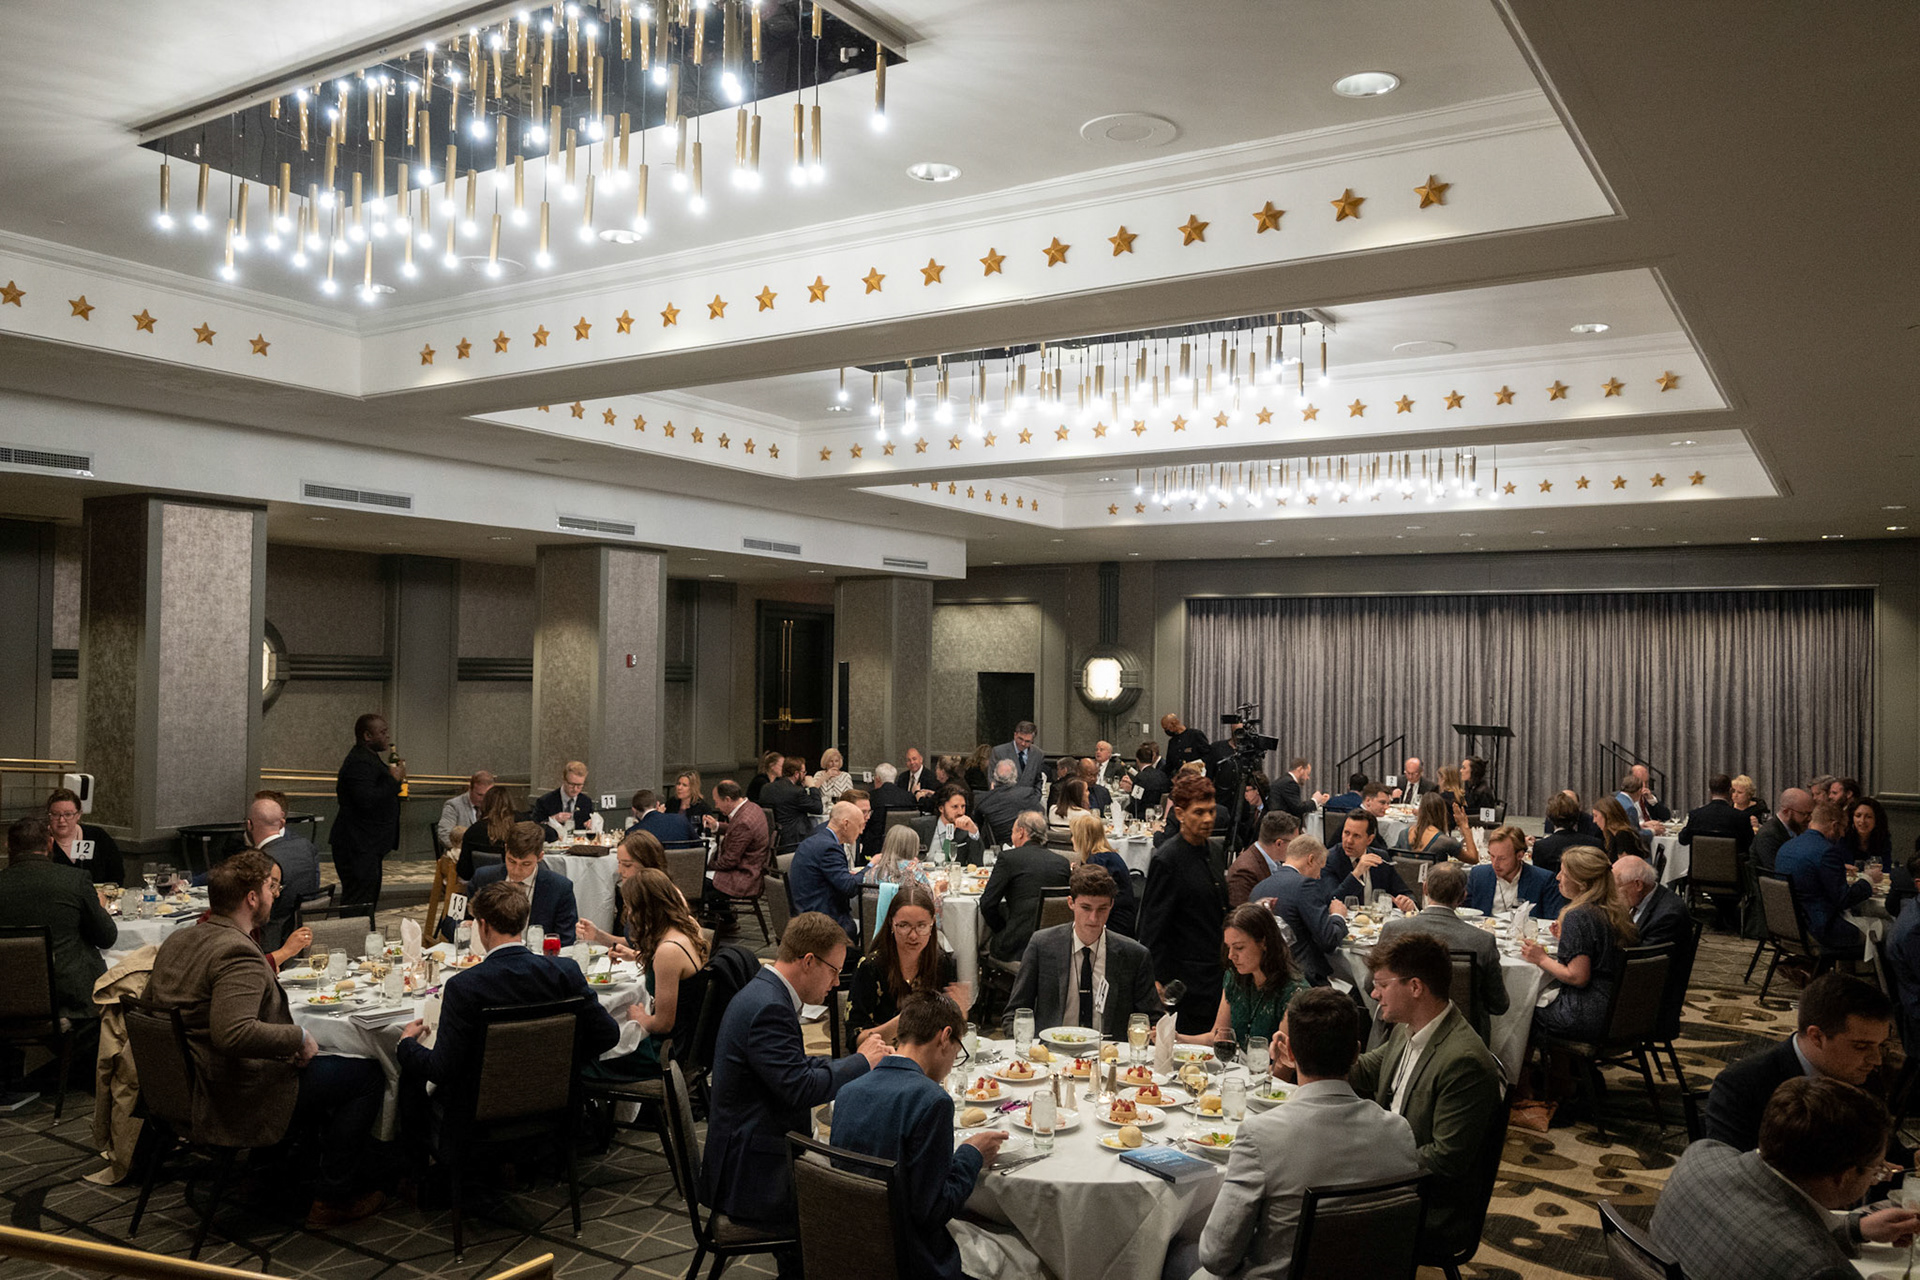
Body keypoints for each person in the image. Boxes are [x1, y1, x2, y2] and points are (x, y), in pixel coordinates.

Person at [147, 851, 384, 1227]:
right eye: (270, 889)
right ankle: (333, 1195)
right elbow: (233, 1031)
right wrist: (299, 1036)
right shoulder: (237, 951)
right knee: (366, 1075)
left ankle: (266, 1172)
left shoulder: (181, 939)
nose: (276, 896)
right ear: (252, 899)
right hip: (230, 1091)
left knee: (329, 1066)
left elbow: (156, 1012)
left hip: (181, 1085)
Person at [1192, 987, 1421, 1280]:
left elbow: (1216, 1256)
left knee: (1174, 1255)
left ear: (1288, 1052)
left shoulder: (1259, 1135)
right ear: (1356, 1053)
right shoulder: (1399, 1131)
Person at [702, 912, 887, 1264]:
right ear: (807, 962)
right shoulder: (769, 1007)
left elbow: (793, 1070)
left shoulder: (765, 992)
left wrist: (851, 1064)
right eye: (834, 971)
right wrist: (862, 1062)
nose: (835, 983)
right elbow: (799, 1088)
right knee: (863, 1208)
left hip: (750, 1147)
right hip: (752, 1175)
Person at [399, 880, 621, 1161]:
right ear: (524, 922)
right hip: (555, 1101)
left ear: (483, 926)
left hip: (479, 1109)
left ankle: (423, 1182)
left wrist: (406, 1044)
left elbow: (442, 1069)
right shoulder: (564, 972)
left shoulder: (465, 986)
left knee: (410, 1070)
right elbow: (608, 1035)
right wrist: (560, 1060)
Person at [1652, 1077, 1920, 1278]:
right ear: (1844, 1175)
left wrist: (1855, 1229)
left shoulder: (1701, 1155)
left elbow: (1761, 1225)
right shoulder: (1819, 1270)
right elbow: (1784, 1242)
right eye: (1876, 1170)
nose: (1878, 1178)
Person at [1350, 933, 1506, 1261]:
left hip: (1431, 1206)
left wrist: (1373, 1163)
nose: (1374, 994)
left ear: (1416, 987)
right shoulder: (1408, 1030)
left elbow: (1445, 1159)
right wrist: (1308, 1056)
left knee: (1307, 1212)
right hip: (1396, 1176)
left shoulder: (1463, 1060)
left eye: (1381, 984)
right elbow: (1365, 1071)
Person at [830, 992, 1006, 1280]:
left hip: (852, 1247)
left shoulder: (848, 1091)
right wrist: (972, 1154)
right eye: (957, 1051)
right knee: (1024, 1256)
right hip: (910, 1258)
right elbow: (932, 1212)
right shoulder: (932, 1101)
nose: (953, 1063)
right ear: (945, 1037)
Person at [1705, 972, 1896, 1152]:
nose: (1876, 1060)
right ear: (1816, 1037)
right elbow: (1732, 1173)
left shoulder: (1866, 1078)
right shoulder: (1743, 1086)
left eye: (1882, 1046)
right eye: (1861, 1046)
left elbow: (1887, 1152)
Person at [0, 817, 117, 1095]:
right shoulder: (74, 881)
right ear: (50, 844)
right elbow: (107, 937)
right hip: (70, 999)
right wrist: (97, 908)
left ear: (8, 847)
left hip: (5, 997)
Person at [1003, 863, 1159, 1037]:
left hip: (1108, 1055)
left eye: (1102, 909)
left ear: (1112, 905)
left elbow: (1152, 1020)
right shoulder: (1042, 945)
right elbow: (1014, 1014)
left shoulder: (1134, 955)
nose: (1094, 918)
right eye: (1086, 908)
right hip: (1052, 1053)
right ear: (1071, 903)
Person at [580, 869, 708, 1082]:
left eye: (630, 906)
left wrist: (641, 1019)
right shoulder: (688, 927)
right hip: (687, 1039)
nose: (628, 913)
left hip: (664, 1053)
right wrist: (636, 955)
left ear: (645, 909)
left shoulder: (668, 951)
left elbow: (663, 1023)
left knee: (585, 1056)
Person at [1139, 774, 1233, 1035]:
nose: (1208, 819)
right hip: (1184, 984)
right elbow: (1152, 926)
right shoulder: (1167, 860)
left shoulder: (1214, 851)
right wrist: (1155, 980)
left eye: (1212, 811)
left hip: (1216, 975)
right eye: (1199, 812)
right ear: (1179, 813)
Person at [1378, 863, 1508, 1041]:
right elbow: (1498, 1005)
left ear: (1425, 889)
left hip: (1403, 1032)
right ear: (1463, 896)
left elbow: (1372, 985)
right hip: (1464, 1038)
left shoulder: (1393, 930)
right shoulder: (1482, 941)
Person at [1522, 847, 1637, 1041]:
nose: (1558, 878)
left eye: (1564, 873)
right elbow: (1601, 950)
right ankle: (1567, 1070)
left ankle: (1538, 1071)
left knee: (1521, 1011)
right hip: (1620, 1009)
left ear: (1582, 883)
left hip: (1584, 1013)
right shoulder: (1617, 910)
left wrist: (1540, 958)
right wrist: (1567, 940)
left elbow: (1577, 977)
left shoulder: (1579, 915)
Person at [1177, 903, 1307, 1047]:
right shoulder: (1234, 977)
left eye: (1239, 947)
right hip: (1240, 1067)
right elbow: (1218, 1037)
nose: (1231, 955)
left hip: (1267, 1068)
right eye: (1228, 947)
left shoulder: (1294, 991)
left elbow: (1284, 1062)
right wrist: (1177, 1038)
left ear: (1264, 942)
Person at [849, 882, 966, 1042]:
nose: (913, 935)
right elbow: (855, 1040)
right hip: (886, 1058)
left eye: (921, 926)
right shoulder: (871, 968)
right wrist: (903, 1022)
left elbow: (953, 1036)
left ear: (932, 925)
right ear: (891, 923)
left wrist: (960, 1016)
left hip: (931, 1059)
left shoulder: (943, 963)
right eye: (904, 926)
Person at [1252, 834, 1350, 987]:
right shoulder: (1305, 885)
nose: (1319, 877)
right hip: (1302, 979)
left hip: (1265, 975)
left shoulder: (1258, 888)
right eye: (1320, 868)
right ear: (1310, 860)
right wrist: (1338, 915)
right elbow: (1328, 940)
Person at [1776, 801, 1874, 953]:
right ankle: (1866, 976)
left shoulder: (1787, 846)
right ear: (1834, 825)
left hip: (1788, 925)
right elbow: (1844, 899)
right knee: (1886, 928)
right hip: (1821, 929)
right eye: (1843, 828)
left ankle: (1841, 973)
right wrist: (1868, 880)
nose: (1842, 834)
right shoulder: (1827, 852)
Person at [461, 822, 580, 945]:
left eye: (526, 864)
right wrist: (465, 926)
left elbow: (567, 940)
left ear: (540, 857)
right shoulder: (483, 878)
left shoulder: (559, 888)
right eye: (511, 861)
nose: (516, 871)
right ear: (506, 849)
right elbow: (452, 920)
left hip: (537, 961)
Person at [329, 712, 404, 907]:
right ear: (367, 736)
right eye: (382, 732)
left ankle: (365, 936)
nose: (387, 736)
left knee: (367, 901)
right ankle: (354, 937)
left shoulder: (369, 758)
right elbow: (366, 800)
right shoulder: (359, 762)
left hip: (366, 845)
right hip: (357, 845)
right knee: (358, 902)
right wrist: (393, 780)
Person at [980, 811, 1072, 964]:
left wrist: (1003, 928)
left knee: (979, 944)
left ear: (1021, 832)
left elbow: (987, 904)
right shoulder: (1062, 862)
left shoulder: (1009, 858)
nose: (1012, 837)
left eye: (1012, 832)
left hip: (1017, 947)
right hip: (1055, 945)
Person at [244, 794, 321, 950]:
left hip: (268, 941)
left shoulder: (260, 860)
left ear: (249, 825)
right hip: (306, 933)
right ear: (281, 824)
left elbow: (249, 908)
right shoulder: (306, 846)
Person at [577, 829, 672, 950]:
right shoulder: (635, 893)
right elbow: (634, 944)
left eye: (627, 865)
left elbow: (659, 953)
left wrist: (632, 956)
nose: (620, 871)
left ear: (647, 865)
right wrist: (597, 935)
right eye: (619, 863)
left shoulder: (661, 898)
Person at [788, 801, 868, 942]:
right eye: (860, 826)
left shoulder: (816, 839)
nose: (861, 831)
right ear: (846, 824)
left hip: (804, 912)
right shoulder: (829, 848)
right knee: (871, 930)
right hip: (822, 922)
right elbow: (850, 888)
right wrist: (871, 867)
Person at [1465, 826, 1566, 919]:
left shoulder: (1543, 880)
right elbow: (1464, 913)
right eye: (1492, 856)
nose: (1495, 863)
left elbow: (1552, 921)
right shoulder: (1479, 875)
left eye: (1502, 858)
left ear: (1520, 855)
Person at [1323, 811, 1416, 911]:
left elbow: (1406, 893)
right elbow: (1332, 901)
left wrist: (1409, 902)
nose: (1349, 840)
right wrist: (1356, 874)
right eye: (1346, 833)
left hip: (1378, 922)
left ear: (1369, 840)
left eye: (1356, 836)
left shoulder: (1380, 857)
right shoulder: (1330, 858)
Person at [1068, 810, 1138, 936]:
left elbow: (1090, 894)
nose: (1071, 839)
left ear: (1081, 837)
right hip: (1123, 918)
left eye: (1073, 835)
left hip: (1114, 924)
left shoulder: (1097, 861)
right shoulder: (1106, 855)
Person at [707, 779, 770, 906]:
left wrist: (705, 865)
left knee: (697, 882)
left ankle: (724, 920)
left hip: (745, 877)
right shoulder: (752, 807)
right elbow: (735, 830)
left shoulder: (743, 822)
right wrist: (716, 826)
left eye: (717, 801)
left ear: (728, 800)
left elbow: (729, 861)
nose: (716, 806)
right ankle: (726, 919)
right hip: (753, 868)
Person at [44, 788, 123, 886]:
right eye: (55, 815)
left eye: (68, 814)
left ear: (78, 815)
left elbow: (117, 873)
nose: (61, 820)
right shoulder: (41, 841)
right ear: (49, 816)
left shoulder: (97, 836)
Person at [1227, 810, 1298, 908]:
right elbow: (1242, 918)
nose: (1296, 847)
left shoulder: (1274, 861)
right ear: (1279, 844)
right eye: (1294, 843)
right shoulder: (1244, 872)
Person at [1678, 772, 1755, 860]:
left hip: (1699, 870)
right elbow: (1750, 845)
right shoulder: (1741, 817)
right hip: (1733, 870)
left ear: (1710, 791)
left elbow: (1683, 840)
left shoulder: (1696, 815)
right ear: (1730, 791)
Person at [911, 785, 987, 867]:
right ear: (941, 808)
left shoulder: (968, 829)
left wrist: (974, 832)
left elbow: (978, 864)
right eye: (955, 807)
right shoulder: (921, 826)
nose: (960, 812)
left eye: (963, 806)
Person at [974, 758, 1042, 848]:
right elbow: (1041, 815)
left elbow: (977, 822)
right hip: (1024, 844)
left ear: (994, 776)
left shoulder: (983, 799)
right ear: (1015, 776)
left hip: (996, 846)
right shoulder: (1026, 794)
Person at [458, 785, 521, 881]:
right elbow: (550, 833)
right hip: (517, 886)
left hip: (482, 888)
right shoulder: (522, 824)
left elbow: (464, 872)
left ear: (485, 804)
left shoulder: (473, 831)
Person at [862, 824, 936, 902]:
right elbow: (929, 901)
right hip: (905, 913)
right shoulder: (915, 872)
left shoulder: (870, 873)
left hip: (873, 914)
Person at [760, 759, 820, 851]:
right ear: (796, 774)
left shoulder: (766, 788)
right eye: (804, 772)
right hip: (794, 839)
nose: (805, 775)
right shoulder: (796, 791)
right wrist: (812, 787)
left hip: (772, 837)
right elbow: (818, 808)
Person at [1404, 793, 1478, 864]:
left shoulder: (1403, 835)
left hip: (1406, 876)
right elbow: (1473, 858)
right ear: (1443, 813)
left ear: (1420, 811)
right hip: (1433, 876)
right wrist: (1464, 826)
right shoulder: (1445, 842)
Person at [531, 761, 597, 838]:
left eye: (579, 785)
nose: (575, 789)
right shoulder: (546, 801)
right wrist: (553, 819)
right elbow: (534, 828)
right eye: (571, 784)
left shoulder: (586, 802)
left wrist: (591, 824)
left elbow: (590, 825)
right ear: (564, 780)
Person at [436, 770, 494, 851]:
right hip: (461, 854)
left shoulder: (494, 804)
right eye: (479, 795)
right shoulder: (453, 805)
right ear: (470, 789)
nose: (483, 799)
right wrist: (464, 851)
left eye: (487, 795)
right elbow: (444, 834)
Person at [1839, 796, 1894, 875]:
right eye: (1858, 816)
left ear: (1877, 820)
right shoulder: (1842, 838)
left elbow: (1885, 869)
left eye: (1868, 817)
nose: (1862, 821)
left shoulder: (1882, 839)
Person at [989, 720, 1046, 792]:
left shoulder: (1038, 754)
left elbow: (1038, 780)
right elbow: (992, 779)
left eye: (1027, 741)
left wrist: (1035, 797)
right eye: (1020, 739)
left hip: (1028, 799)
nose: (1023, 743)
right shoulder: (999, 752)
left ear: (1032, 741)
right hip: (1005, 799)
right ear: (1015, 735)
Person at [627, 788, 696, 846]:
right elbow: (699, 845)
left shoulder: (633, 833)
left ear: (634, 810)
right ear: (657, 804)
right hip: (684, 861)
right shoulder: (681, 820)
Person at [1592, 795, 1651, 862]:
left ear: (1607, 815)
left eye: (1596, 816)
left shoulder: (1623, 835)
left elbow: (1624, 867)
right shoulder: (1612, 834)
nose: (1594, 820)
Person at [1158, 713, 1212, 778]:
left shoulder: (1195, 735)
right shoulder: (1172, 742)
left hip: (1196, 778)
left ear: (1173, 723)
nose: (1166, 731)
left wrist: (1193, 765)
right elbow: (1169, 765)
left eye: (1166, 728)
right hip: (1180, 779)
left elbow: (1208, 755)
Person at [1131, 741, 1171, 814]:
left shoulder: (1140, 777)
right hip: (1160, 813)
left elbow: (1136, 801)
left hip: (1143, 815)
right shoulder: (1163, 775)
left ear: (1137, 760)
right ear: (1152, 758)